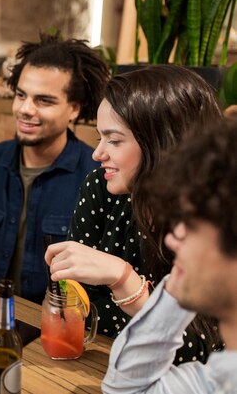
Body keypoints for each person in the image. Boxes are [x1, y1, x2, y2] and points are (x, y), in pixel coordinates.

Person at [45, 65, 225, 363]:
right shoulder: (101, 187)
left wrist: (123, 279)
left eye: (114, 141)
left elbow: (200, 349)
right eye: (99, 137)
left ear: (166, 145)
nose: (97, 153)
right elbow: (77, 300)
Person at [0, 32, 110, 303]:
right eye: (21, 95)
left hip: (59, 322)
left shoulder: (98, 177)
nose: (25, 109)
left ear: (75, 109)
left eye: (44, 100)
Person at [101, 119, 237, 394]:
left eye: (191, 224)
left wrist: (126, 281)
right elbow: (127, 388)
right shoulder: (220, 377)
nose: (173, 238)